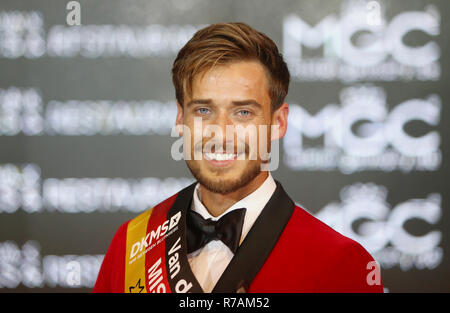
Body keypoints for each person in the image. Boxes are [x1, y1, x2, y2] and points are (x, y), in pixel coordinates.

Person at [93, 22, 383, 293]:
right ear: (180, 118)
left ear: (278, 123)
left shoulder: (341, 263)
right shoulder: (132, 244)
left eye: (243, 112)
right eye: (203, 111)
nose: (221, 134)